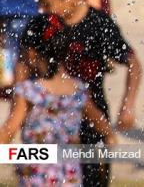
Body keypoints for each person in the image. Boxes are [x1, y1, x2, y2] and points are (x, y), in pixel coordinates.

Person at [19, 0, 142, 187]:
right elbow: (23, 65)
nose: (41, 10)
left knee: (93, 181)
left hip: (93, 124)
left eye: (46, 3)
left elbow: (134, 64)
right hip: (52, 128)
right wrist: (20, 107)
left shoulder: (98, 26)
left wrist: (128, 105)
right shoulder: (40, 26)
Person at [0, 32, 117, 186]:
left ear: (32, 53)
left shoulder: (29, 92)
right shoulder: (78, 90)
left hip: (38, 173)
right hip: (70, 174)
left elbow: (8, 131)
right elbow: (105, 130)